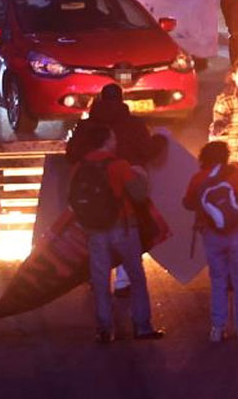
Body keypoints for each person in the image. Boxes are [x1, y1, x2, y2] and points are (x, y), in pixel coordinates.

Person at [68, 121, 164, 343]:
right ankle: (142, 327)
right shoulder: (118, 165)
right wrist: (139, 174)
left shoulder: (79, 167)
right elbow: (139, 195)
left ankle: (104, 329)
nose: (115, 141)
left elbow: (71, 199)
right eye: (112, 137)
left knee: (101, 280)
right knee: (136, 277)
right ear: (106, 141)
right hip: (123, 227)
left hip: (94, 231)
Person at [183, 140, 238, 343]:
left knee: (218, 281)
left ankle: (217, 329)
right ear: (225, 156)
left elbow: (188, 203)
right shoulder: (236, 174)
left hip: (213, 234)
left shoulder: (198, 178)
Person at [67, 84, 163, 168]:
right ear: (121, 100)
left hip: (91, 182)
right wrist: (160, 141)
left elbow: (71, 155)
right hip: (126, 181)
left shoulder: (85, 126)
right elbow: (148, 152)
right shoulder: (135, 124)